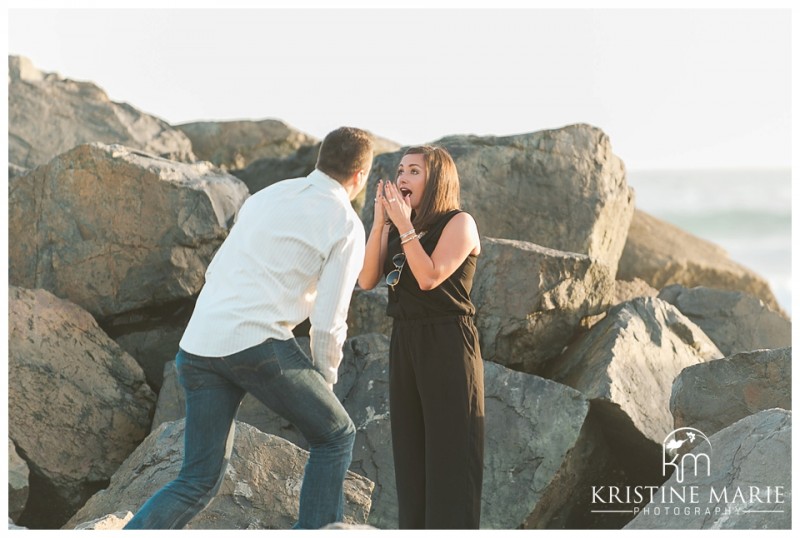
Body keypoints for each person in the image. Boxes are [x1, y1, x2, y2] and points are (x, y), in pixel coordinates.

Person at [124, 127, 374, 530]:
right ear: (361, 175)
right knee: (335, 435)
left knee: (197, 479)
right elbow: (328, 324)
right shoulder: (346, 224)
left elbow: (216, 268)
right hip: (257, 344)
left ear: (320, 160)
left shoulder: (267, 196)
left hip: (199, 344)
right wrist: (323, 385)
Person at [358, 145, 485, 529]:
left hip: (447, 342)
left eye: (413, 171)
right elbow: (367, 281)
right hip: (406, 343)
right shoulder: (401, 228)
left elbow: (430, 277)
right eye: (400, 170)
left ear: (436, 180)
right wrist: (382, 221)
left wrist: (405, 226)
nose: (401, 178)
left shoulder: (459, 223)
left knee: (450, 462)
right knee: (412, 462)